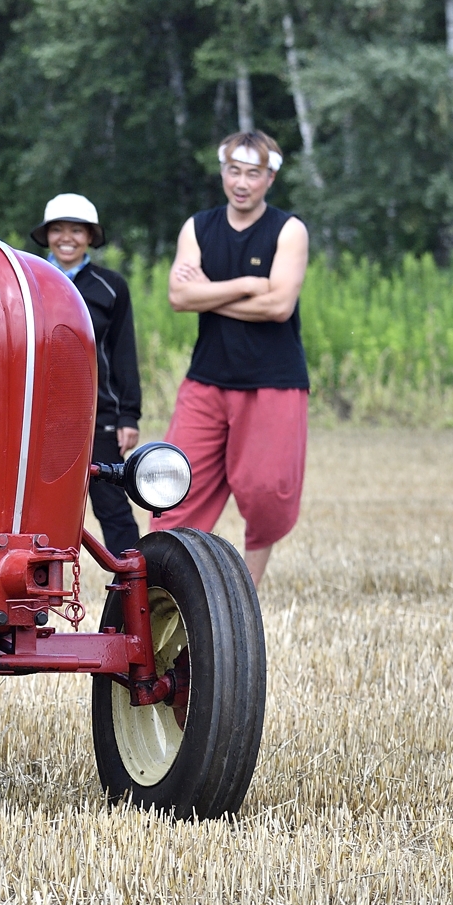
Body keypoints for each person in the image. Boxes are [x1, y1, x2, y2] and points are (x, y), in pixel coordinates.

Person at [154, 130, 310, 587]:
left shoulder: (289, 230)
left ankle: (247, 592)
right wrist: (248, 284)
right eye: (234, 171)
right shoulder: (197, 226)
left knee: (265, 491)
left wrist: (209, 291)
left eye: (253, 174)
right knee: (172, 487)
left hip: (273, 382)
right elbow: (179, 297)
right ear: (223, 172)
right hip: (207, 379)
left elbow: (279, 306)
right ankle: (171, 594)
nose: (242, 182)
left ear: (270, 178)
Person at [29, 193, 142, 555]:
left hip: (98, 417)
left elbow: (123, 355)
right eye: (58, 229)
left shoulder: (111, 287)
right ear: (46, 235)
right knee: (37, 508)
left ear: (91, 236)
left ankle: (137, 590)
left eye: (76, 230)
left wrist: (129, 416)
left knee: (113, 508)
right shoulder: (28, 279)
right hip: (38, 416)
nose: (67, 238)